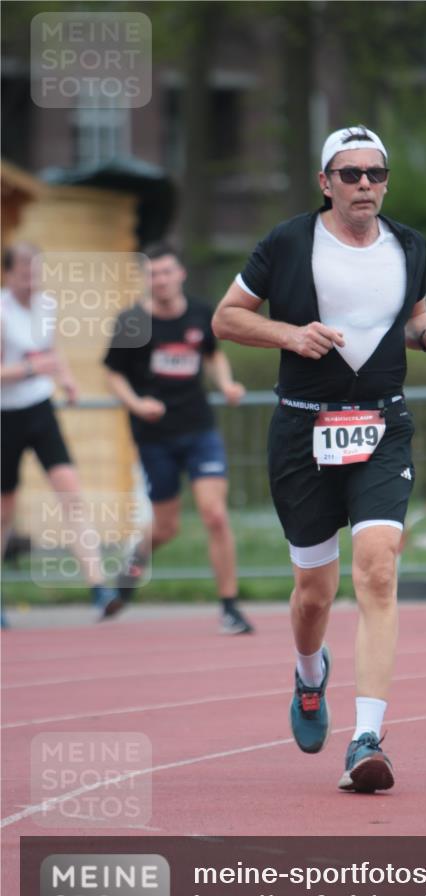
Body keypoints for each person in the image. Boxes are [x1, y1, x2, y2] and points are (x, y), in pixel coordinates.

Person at [212, 125, 426, 791]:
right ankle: (307, 672)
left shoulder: (409, 245)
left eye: (374, 174)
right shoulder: (289, 242)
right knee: (313, 596)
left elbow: (410, 319)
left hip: (382, 426)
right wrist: (289, 334)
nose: (363, 186)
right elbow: (227, 319)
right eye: (349, 174)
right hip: (302, 433)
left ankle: (366, 738)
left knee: (377, 571)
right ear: (325, 182)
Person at [104, 242, 254, 635]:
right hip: (154, 436)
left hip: (199, 429)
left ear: (181, 274)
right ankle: (133, 566)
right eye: (154, 274)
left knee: (215, 514)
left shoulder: (202, 312)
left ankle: (229, 607)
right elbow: (113, 373)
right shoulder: (132, 322)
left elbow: (212, 354)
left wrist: (226, 384)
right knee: (166, 526)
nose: (162, 280)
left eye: (168, 272)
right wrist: (136, 404)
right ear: (146, 279)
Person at [1, 242, 122, 623]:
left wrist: (67, 380)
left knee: (72, 493)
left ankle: (100, 590)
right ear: (9, 273)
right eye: (24, 271)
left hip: (40, 409)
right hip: (6, 414)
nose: (31, 278)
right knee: (5, 509)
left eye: (36, 270)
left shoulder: (47, 305)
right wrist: (31, 370)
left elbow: (53, 351)